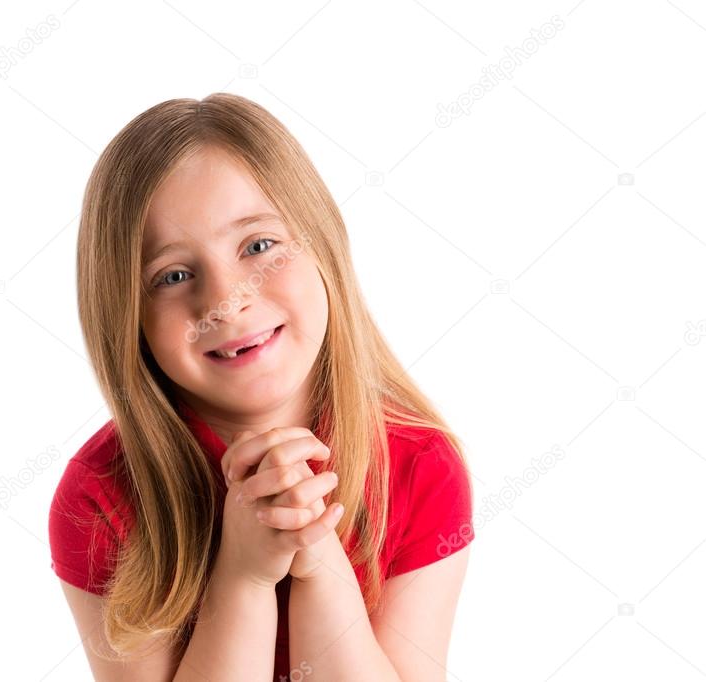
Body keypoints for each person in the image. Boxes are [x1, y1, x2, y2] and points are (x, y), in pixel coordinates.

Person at [48, 92, 475, 681]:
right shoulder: (103, 496)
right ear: (125, 315)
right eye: (173, 275)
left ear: (322, 244)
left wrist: (318, 558)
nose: (226, 299)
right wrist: (244, 575)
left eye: (259, 246)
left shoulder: (420, 464)